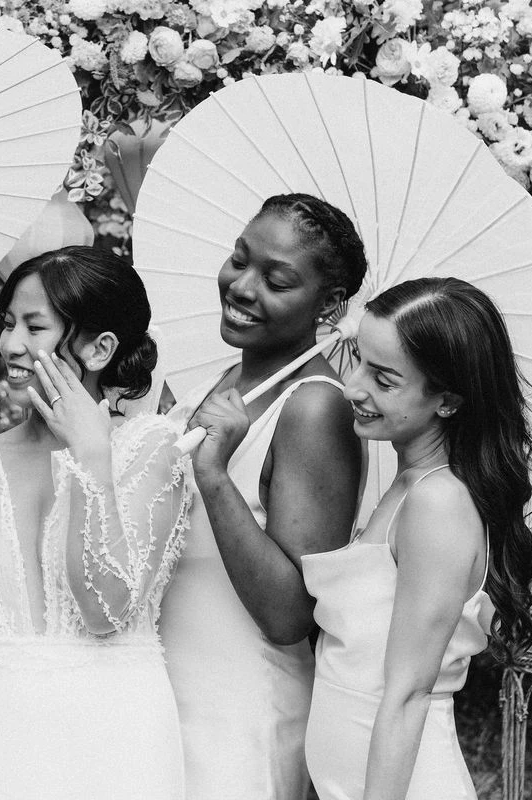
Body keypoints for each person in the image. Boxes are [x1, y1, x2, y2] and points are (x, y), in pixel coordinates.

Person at [0, 246, 191, 800]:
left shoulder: (153, 449)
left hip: (115, 747)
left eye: (35, 327)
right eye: (7, 322)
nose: (10, 344)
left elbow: (106, 611)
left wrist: (91, 455)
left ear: (100, 348)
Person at [159, 193, 364, 800]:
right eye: (239, 259)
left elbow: (289, 615)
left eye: (276, 281)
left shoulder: (314, 407)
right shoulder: (218, 381)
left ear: (329, 304)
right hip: (167, 693)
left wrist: (215, 476)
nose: (242, 287)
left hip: (239, 712)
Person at [302, 277, 532, 799]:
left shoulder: (438, 503)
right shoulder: (404, 485)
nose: (353, 387)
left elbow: (408, 694)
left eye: (383, 380)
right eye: (358, 360)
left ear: (447, 401)